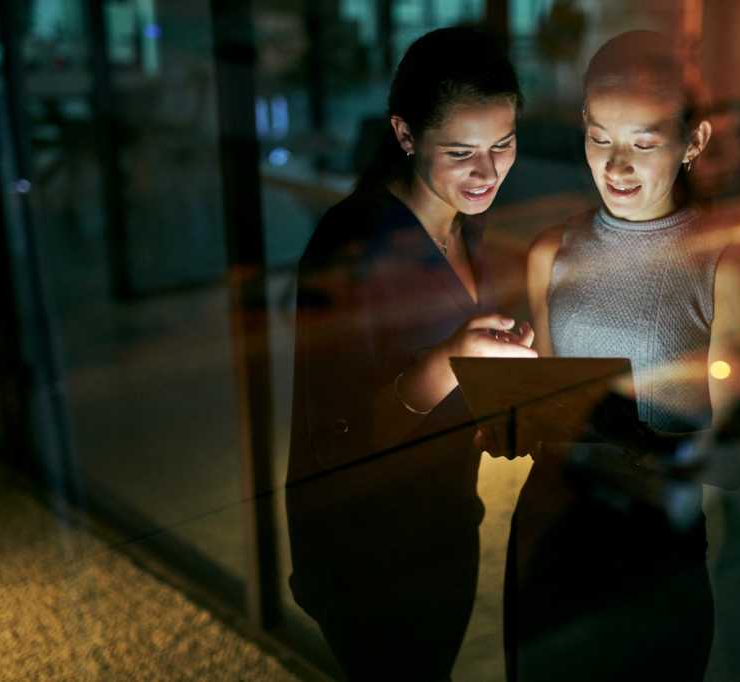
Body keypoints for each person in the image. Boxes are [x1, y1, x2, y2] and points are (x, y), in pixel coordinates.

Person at [508, 30, 740, 680]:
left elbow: (736, 454)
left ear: (694, 142)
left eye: (644, 143)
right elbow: (543, 407)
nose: (616, 166)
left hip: (653, 551)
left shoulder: (723, 266)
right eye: (599, 138)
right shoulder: (551, 253)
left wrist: (639, 455)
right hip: (553, 529)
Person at [287, 27, 535, 680]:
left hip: (443, 523)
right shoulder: (353, 247)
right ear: (405, 134)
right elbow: (344, 433)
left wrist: (495, 403)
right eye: (461, 152)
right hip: (370, 555)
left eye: (503, 146)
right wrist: (453, 360)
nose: (487, 172)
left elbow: (449, 393)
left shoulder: (461, 223)